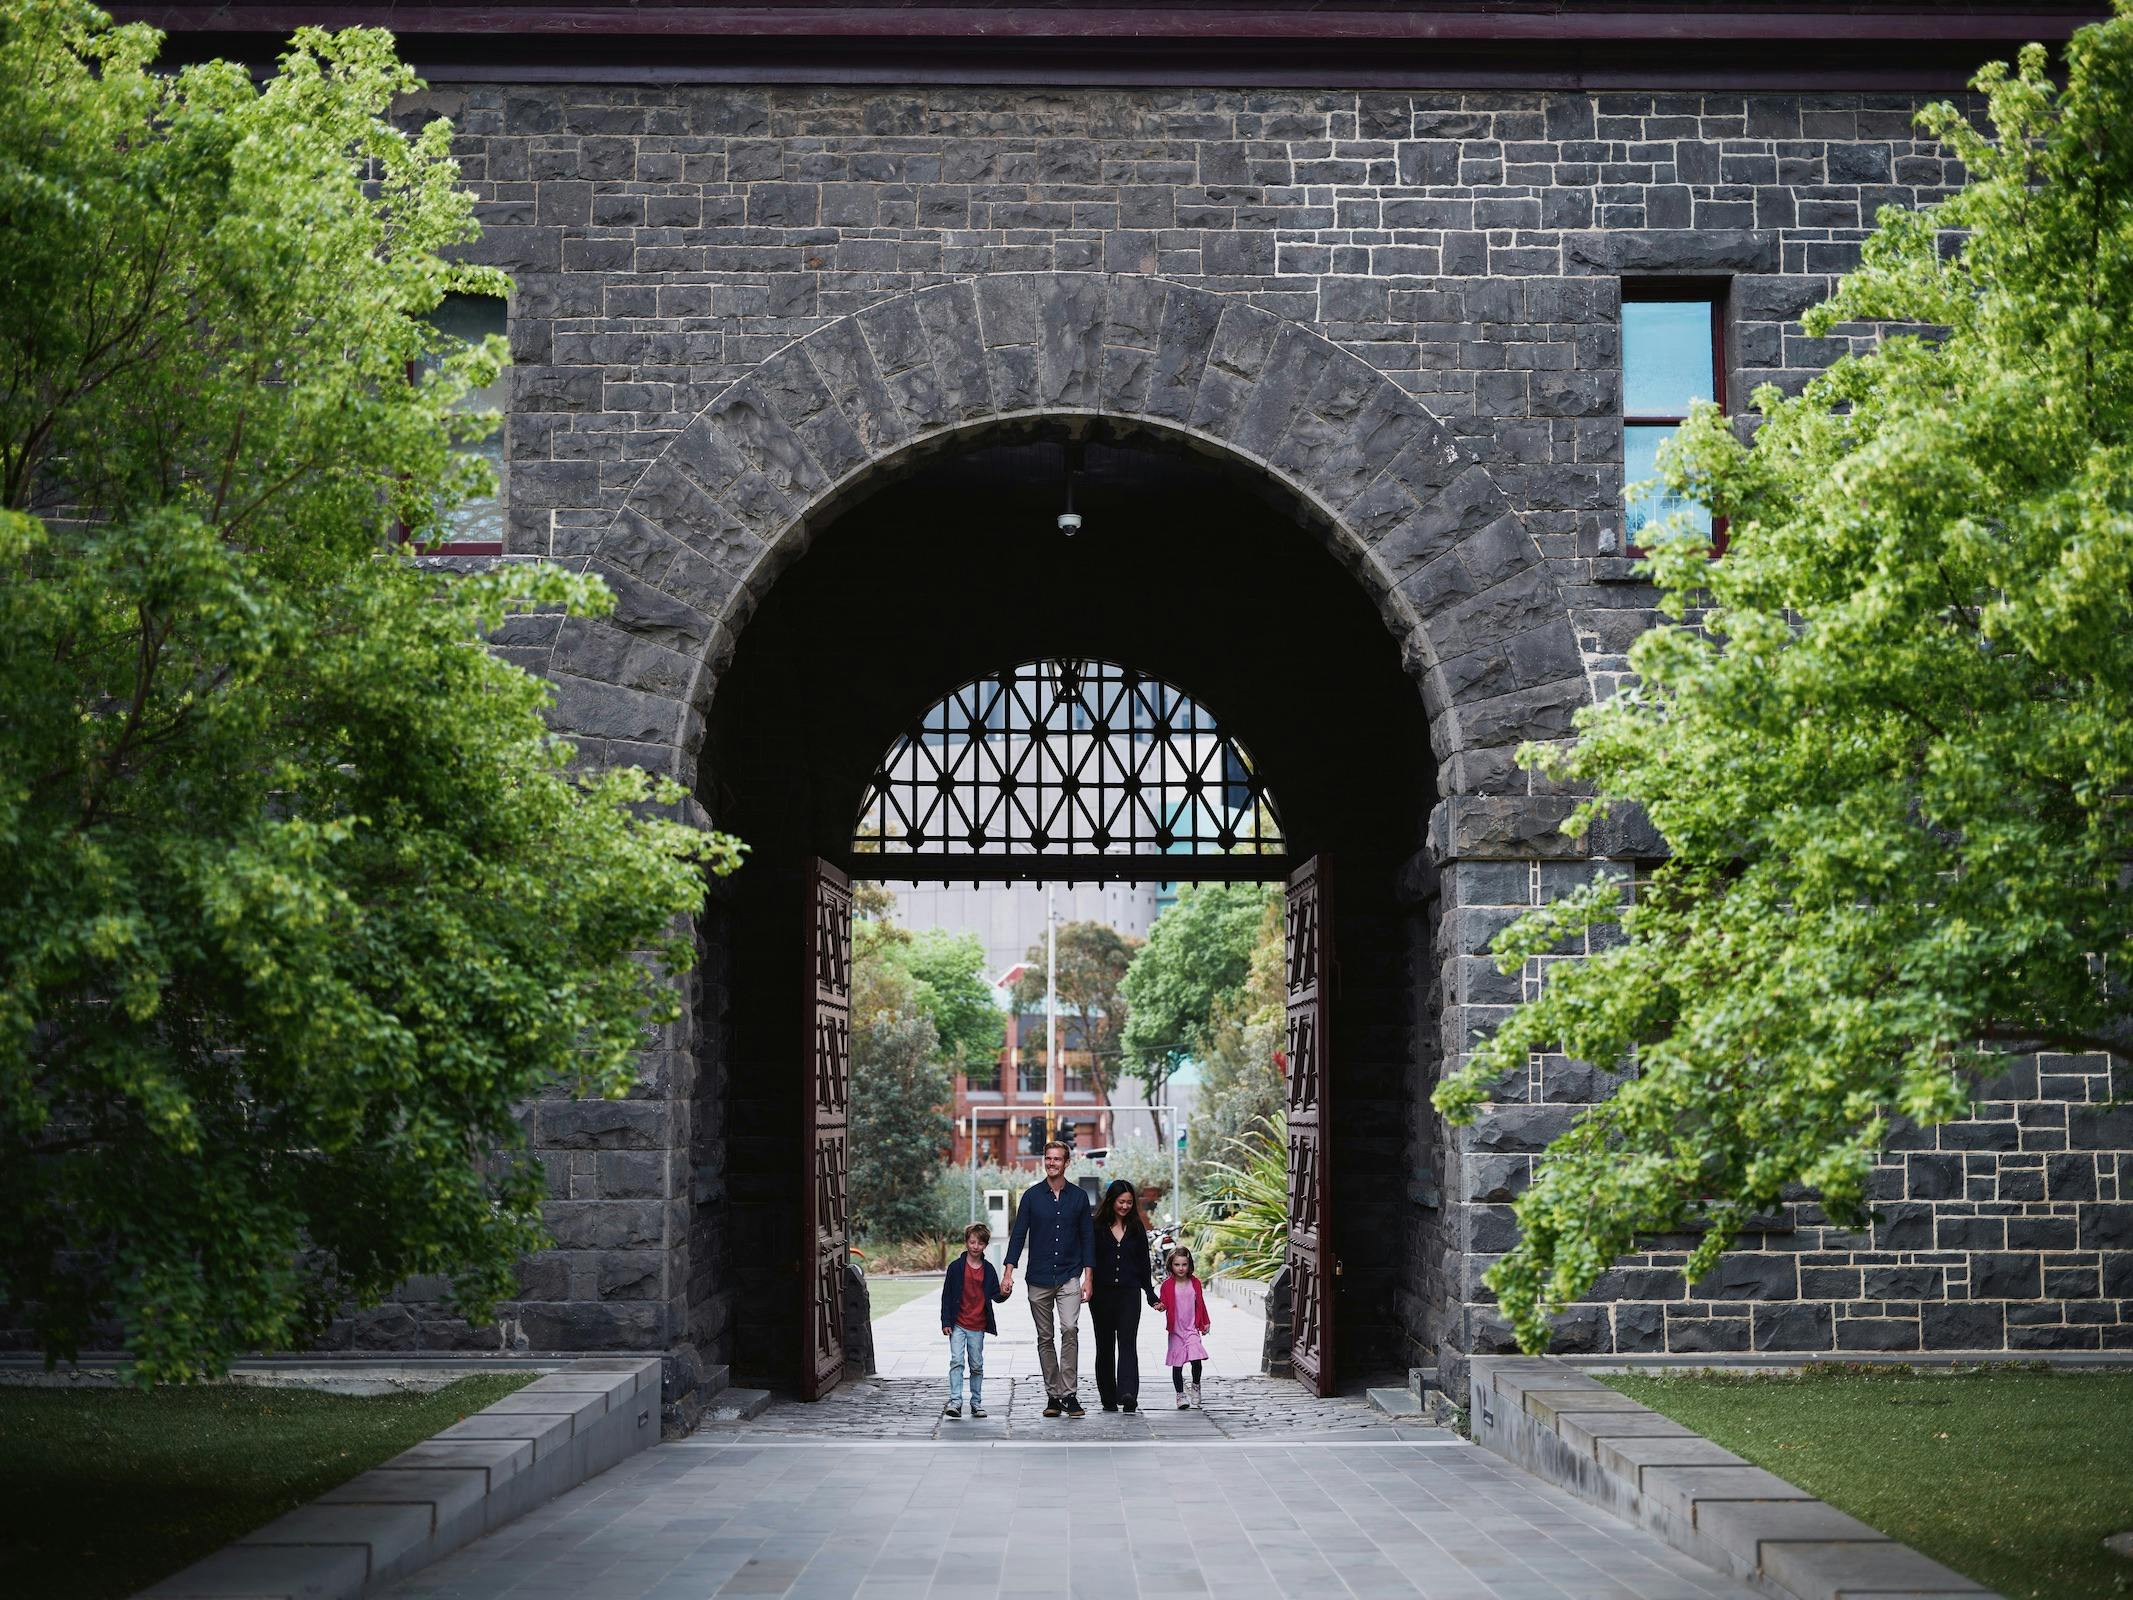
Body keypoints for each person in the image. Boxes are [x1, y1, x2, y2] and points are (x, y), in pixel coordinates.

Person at [1000, 1138, 1094, 1418]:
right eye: (1048, 1158)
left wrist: (1089, 1278)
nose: (1052, 1163)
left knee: (1070, 1330)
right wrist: (1008, 1272)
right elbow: (1018, 1235)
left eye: (1057, 1159)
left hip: (1069, 1276)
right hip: (1038, 1277)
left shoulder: (1078, 1197)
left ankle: (1070, 1394)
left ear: (1067, 1163)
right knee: (1045, 1337)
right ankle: (1053, 1396)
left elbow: (1087, 1238)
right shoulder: (1031, 1196)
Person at [1089, 1179, 1160, 1413]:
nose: (1125, 1206)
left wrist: (1150, 1294)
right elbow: (1089, 1259)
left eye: (1129, 1202)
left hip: (1129, 1294)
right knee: (1105, 1345)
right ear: (1111, 1201)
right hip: (1102, 1296)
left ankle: (1128, 1393)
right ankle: (1108, 1397)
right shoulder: (1096, 1226)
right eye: (1121, 1202)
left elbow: (1143, 1264)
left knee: (1128, 1343)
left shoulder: (1137, 1228)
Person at [939, 1222, 1010, 1420]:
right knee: (956, 1361)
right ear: (966, 1243)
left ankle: (976, 1403)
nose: (975, 1246)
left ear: (985, 1245)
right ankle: (955, 1401)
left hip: (978, 1325)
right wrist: (946, 1321)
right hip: (957, 1324)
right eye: (971, 1242)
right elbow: (947, 1296)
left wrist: (1005, 1293)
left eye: (979, 1243)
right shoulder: (955, 1268)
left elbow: (996, 1295)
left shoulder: (988, 1270)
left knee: (976, 1364)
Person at [1158, 1244, 1211, 1409]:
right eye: (1177, 1265)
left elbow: (1201, 1304)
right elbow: (1165, 1303)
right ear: (1171, 1265)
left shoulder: (1195, 1283)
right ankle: (1180, 1395)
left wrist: (1205, 1322)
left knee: (1196, 1359)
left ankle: (1196, 1385)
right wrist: (1160, 1306)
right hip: (1176, 1331)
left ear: (1189, 1265)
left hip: (1191, 1329)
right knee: (1178, 1364)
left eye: (1184, 1264)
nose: (1181, 1268)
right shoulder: (1166, 1285)